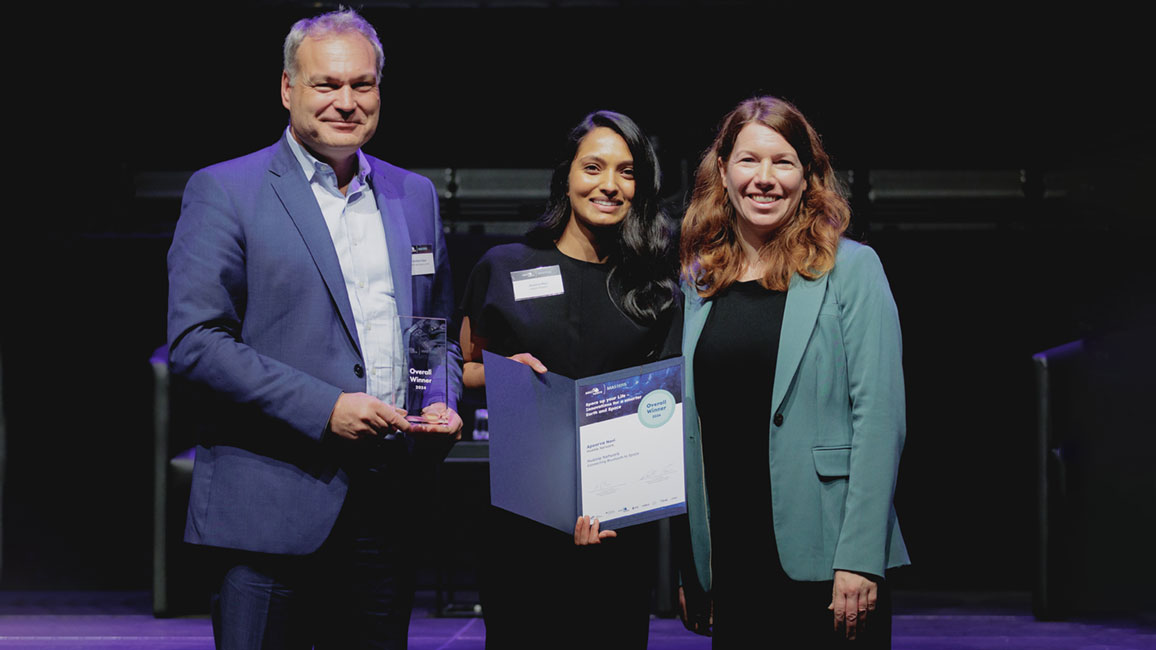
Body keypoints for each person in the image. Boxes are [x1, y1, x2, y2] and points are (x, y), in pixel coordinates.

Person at [166, 8, 462, 649]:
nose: (346, 102)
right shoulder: (225, 190)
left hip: (386, 511)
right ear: (287, 89)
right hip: (271, 512)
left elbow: (432, 333)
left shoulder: (415, 196)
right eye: (327, 85)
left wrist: (440, 398)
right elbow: (195, 344)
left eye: (363, 84)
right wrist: (326, 407)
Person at [677, 96, 909, 647]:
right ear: (723, 172)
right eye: (748, 161)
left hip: (828, 558)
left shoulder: (851, 269)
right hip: (730, 558)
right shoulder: (699, 280)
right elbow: (691, 428)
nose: (765, 178)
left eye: (782, 161)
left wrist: (859, 556)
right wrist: (693, 564)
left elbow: (879, 419)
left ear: (808, 176)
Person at [457, 110, 680, 648]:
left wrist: (616, 500)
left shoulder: (655, 284)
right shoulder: (505, 265)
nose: (609, 185)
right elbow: (456, 367)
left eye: (626, 172)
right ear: (566, 176)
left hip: (618, 526)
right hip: (521, 522)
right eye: (594, 167)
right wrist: (501, 372)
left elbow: (664, 400)